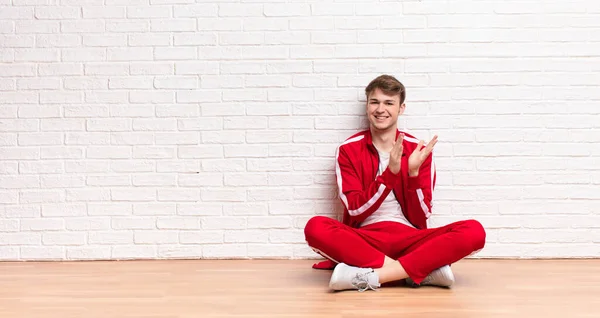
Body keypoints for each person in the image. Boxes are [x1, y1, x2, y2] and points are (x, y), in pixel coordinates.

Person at [303, 74, 486, 292]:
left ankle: (371, 276)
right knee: (315, 228)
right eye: (375, 102)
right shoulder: (348, 150)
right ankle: (420, 271)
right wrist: (390, 174)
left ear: (401, 108)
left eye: (389, 103)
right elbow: (354, 209)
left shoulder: (418, 150)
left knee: (474, 231)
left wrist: (414, 173)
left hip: (410, 238)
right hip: (365, 239)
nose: (381, 109)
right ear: (367, 106)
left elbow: (421, 215)